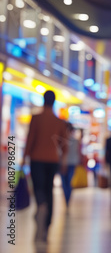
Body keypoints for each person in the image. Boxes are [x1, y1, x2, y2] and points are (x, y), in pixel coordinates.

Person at [21, 90, 68, 244]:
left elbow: (30, 139)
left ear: (43, 100)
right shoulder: (59, 121)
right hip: (52, 159)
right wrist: (64, 161)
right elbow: (64, 145)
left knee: (39, 189)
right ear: (54, 102)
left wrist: (23, 159)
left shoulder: (36, 118)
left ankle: (40, 206)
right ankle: (47, 227)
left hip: (37, 159)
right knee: (49, 191)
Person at [60, 123, 82, 208]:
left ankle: (67, 199)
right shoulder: (75, 141)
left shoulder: (62, 140)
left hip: (64, 163)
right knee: (69, 182)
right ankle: (67, 199)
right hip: (72, 162)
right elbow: (78, 153)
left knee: (65, 182)